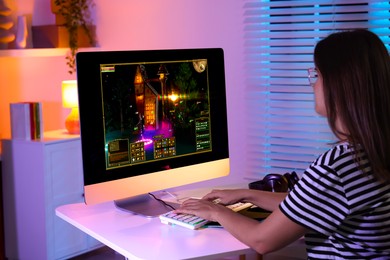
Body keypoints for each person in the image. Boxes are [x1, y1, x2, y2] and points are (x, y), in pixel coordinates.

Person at [175, 29, 390, 259]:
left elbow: (262, 240)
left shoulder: (337, 166)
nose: (313, 85)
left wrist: (215, 212)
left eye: (317, 75)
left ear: (339, 85)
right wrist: (246, 195)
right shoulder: (373, 152)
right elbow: (306, 203)